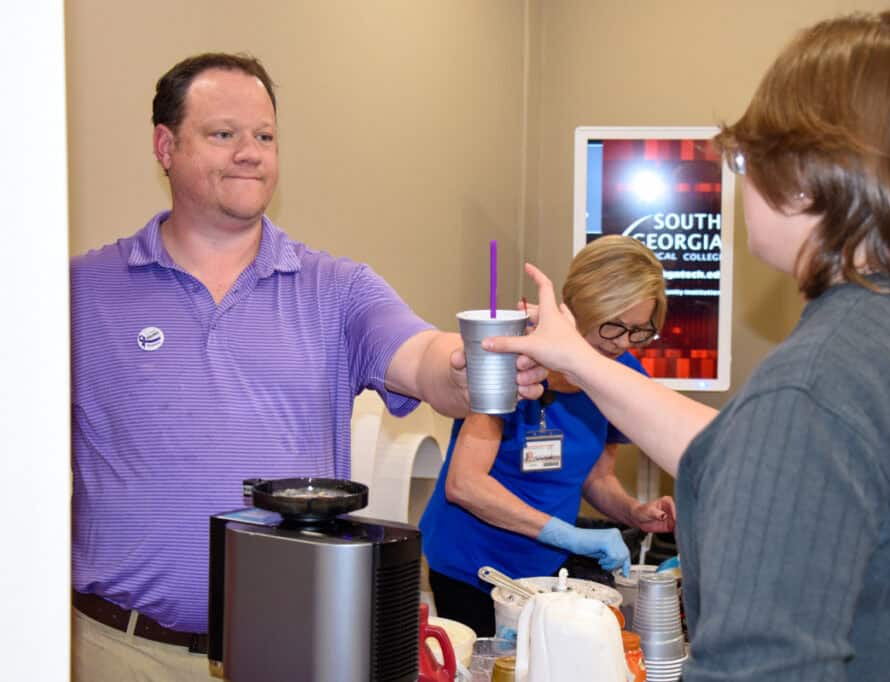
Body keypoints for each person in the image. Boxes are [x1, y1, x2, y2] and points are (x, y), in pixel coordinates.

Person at [485, 10, 890, 681]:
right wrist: (577, 359)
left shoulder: (820, 383)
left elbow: (761, 667)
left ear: (803, 178)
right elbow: (744, 452)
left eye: (743, 161)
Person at [69, 53, 544, 682]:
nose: (251, 152)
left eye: (264, 136)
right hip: (123, 653)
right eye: (223, 134)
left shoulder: (337, 290)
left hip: (298, 648)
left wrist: (469, 366)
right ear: (165, 144)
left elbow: (425, 359)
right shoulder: (79, 294)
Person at [419, 236, 679, 637]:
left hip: (544, 574)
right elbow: (464, 484)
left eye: (639, 331)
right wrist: (571, 535)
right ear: (580, 307)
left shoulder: (619, 372)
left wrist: (632, 512)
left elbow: (596, 476)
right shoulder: (517, 360)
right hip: (470, 567)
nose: (623, 344)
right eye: (613, 327)